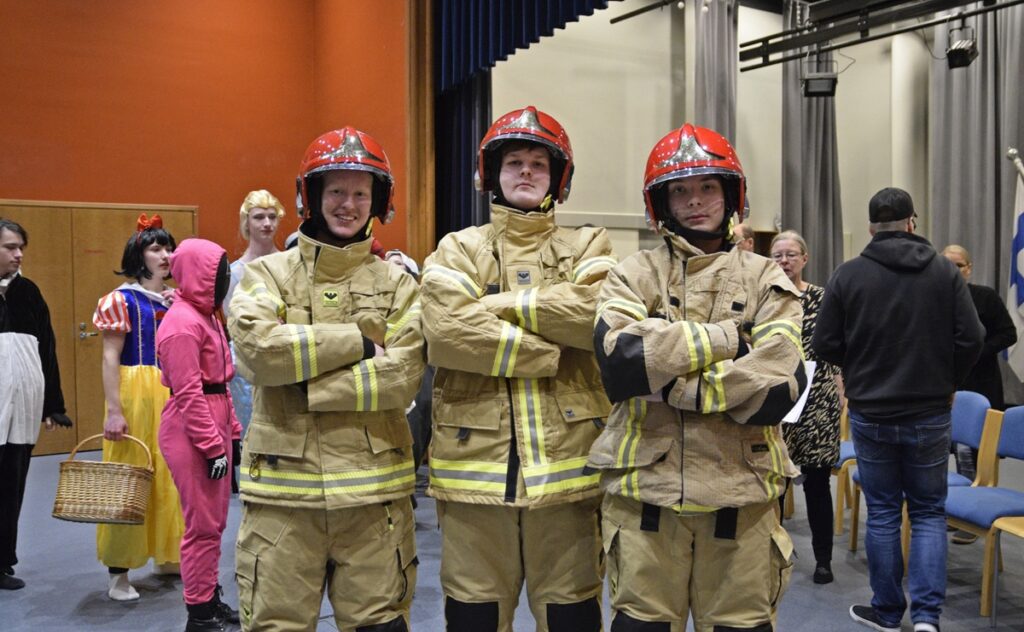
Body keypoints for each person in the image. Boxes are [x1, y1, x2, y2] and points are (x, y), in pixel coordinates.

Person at [588, 123, 804, 632]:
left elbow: (779, 386)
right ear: (661, 202)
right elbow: (621, 363)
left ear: (730, 194)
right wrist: (732, 339)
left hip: (742, 503)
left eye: (708, 186)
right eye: (679, 190)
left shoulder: (765, 277)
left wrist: (672, 380)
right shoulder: (631, 273)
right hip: (645, 502)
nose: (695, 200)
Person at [420, 106, 615, 632]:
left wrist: (492, 304)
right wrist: (552, 350)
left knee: (573, 612)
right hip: (472, 481)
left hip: (569, 477)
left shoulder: (589, 245)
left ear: (558, 178)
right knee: (474, 613)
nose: (525, 172)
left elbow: (596, 317)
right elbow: (445, 331)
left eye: (538, 163)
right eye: (513, 162)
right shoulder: (457, 248)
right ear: (491, 175)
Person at [229, 127, 425, 631]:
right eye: (336, 190)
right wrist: (359, 345)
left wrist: (302, 380)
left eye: (361, 192)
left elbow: (403, 377)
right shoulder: (266, 275)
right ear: (311, 196)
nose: (348, 204)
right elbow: (256, 351)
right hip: (282, 501)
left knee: (380, 624)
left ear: (378, 200)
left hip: (375, 502)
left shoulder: (398, 283)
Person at [812, 188, 984, 632]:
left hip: (871, 411)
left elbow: (824, 343)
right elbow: (973, 338)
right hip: (930, 409)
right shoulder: (945, 273)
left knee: (885, 511)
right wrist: (950, 382)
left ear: (870, 227)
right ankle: (927, 619)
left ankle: (888, 613)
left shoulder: (848, 275)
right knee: (928, 512)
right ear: (912, 222)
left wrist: (856, 367)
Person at [93, 214, 185, 601]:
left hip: (170, 391)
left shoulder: (176, 299)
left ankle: (167, 555)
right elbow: (110, 357)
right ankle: (119, 573)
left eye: (168, 247)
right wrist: (115, 410)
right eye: (155, 247)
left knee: (171, 474)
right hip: (134, 391)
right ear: (139, 254)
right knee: (129, 477)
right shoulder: (120, 299)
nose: (165, 254)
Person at [157, 237, 242, 632]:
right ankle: (200, 615)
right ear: (199, 276)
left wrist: (234, 433)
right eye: (218, 272)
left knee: (215, 524)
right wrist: (212, 446)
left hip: (213, 418)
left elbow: (220, 383)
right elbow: (189, 392)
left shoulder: (205, 316)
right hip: (193, 427)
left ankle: (208, 598)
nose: (223, 279)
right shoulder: (182, 324)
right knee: (202, 526)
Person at [0, 218, 73, 591]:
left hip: (22, 406)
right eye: (11, 247)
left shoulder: (28, 291)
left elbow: (47, 347)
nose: (18, 254)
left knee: (12, 482)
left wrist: (52, 403)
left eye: (20, 248)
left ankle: (2, 560)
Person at [770, 230, 843, 585]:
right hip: (776, 398)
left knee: (816, 484)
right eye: (778, 256)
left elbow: (839, 348)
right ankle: (771, 554)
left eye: (790, 255)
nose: (784, 261)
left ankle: (823, 560)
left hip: (817, 402)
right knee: (775, 483)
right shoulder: (764, 298)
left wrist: (843, 393)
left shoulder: (824, 298)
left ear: (805, 258)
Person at [941, 244, 1016, 545]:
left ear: (969, 268)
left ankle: (976, 514)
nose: (954, 271)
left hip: (981, 382)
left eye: (958, 265)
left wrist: (976, 352)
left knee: (977, 452)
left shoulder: (985, 297)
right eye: (946, 265)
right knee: (954, 450)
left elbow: (1008, 334)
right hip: (947, 384)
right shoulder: (933, 298)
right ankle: (958, 510)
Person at [223, 190, 285, 446]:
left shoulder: (290, 265)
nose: (267, 223)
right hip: (247, 363)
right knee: (250, 433)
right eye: (259, 217)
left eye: (272, 216)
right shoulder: (234, 273)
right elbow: (233, 323)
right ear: (247, 222)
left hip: (286, 355)